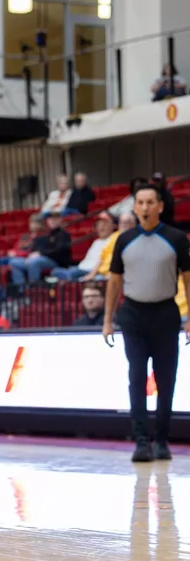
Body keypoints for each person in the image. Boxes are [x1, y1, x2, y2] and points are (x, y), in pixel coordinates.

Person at [103, 184, 190, 463]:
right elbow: (114, 282)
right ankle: (141, 441)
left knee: (166, 379)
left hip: (165, 314)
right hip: (133, 315)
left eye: (150, 202)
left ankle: (162, 440)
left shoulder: (176, 238)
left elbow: (188, 279)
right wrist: (107, 321)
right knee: (137, 376)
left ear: (160, 206)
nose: (145, 207)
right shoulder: (124, 239)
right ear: (134, 206)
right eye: (140, 202)